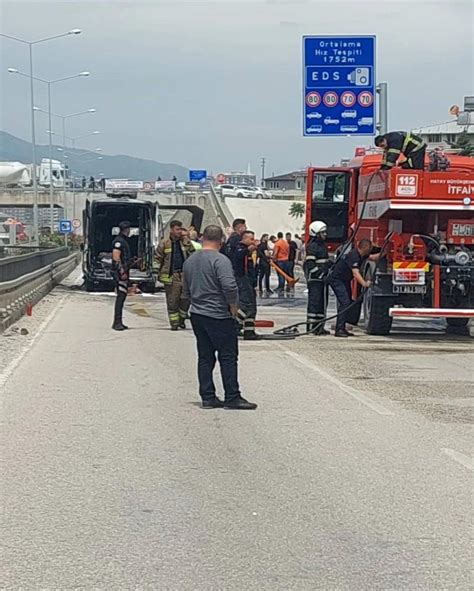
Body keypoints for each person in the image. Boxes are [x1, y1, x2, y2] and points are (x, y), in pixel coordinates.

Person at [183, 225, 257, 410]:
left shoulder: (190, 261)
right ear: (221, 241)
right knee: (228, 355)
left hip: (197, 314)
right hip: (218, 314)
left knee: (205, 356)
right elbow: (230, 287)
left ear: (203, 238)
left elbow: (186, 290)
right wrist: (233, 307)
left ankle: (208, 396)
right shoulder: (220, 260)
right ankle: (232, 396)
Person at [328, 238, 374, 338]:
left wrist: (384, 253)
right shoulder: (354, 256)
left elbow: (373, 258)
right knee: (344, 302)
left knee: (347, 302)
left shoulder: (362, 255)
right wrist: (365, 284)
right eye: (370, 247)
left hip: (345, 280)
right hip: (337, 279)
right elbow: (356, 273)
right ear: (365, 247)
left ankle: (342, 327)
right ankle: (339, 329)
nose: (371, 249)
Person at [155, 220, 195, 330]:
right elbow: (157, 258)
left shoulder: (184, 242)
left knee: (186, 299)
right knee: (173, 301)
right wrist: (155, 272)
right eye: (177, 229)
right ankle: (174, 323)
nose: (179, 232)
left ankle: (182, 319)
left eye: (180, 229)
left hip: (184, 275)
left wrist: (186, 239)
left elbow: (193, 254)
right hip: (171, 276)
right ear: (171, 230)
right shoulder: (164, 243)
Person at [303, 221, 331, 335]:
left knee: (322, 303)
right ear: (316, 233)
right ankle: (311, 327)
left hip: (322, 279)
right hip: (315, 280)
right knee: (315, 303)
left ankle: (319, 327)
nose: (325, 235)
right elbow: (310, 264)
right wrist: (319, 274)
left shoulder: (321, 246)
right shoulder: (313, 246)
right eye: (322, 233)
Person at [234, 230, 259, 339]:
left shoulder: (251, 251)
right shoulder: (240, 248)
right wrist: (248, 250)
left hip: (250, 281)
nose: (253, 241)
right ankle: (235, 324)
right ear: (244, 239)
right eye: (251, 239)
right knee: (246, 305)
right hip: (243, 280)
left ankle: (249, 331)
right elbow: (238, 256)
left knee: (252, 307)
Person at [111, 221, 132, 331]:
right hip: (120, 273)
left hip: (123, 271)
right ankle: (117, 322)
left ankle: (119, 321)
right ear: (126, 229)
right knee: (120, 296)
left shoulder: (123, 240)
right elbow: (116, 257)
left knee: (122, 296)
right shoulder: (119, 241)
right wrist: (122, 272)